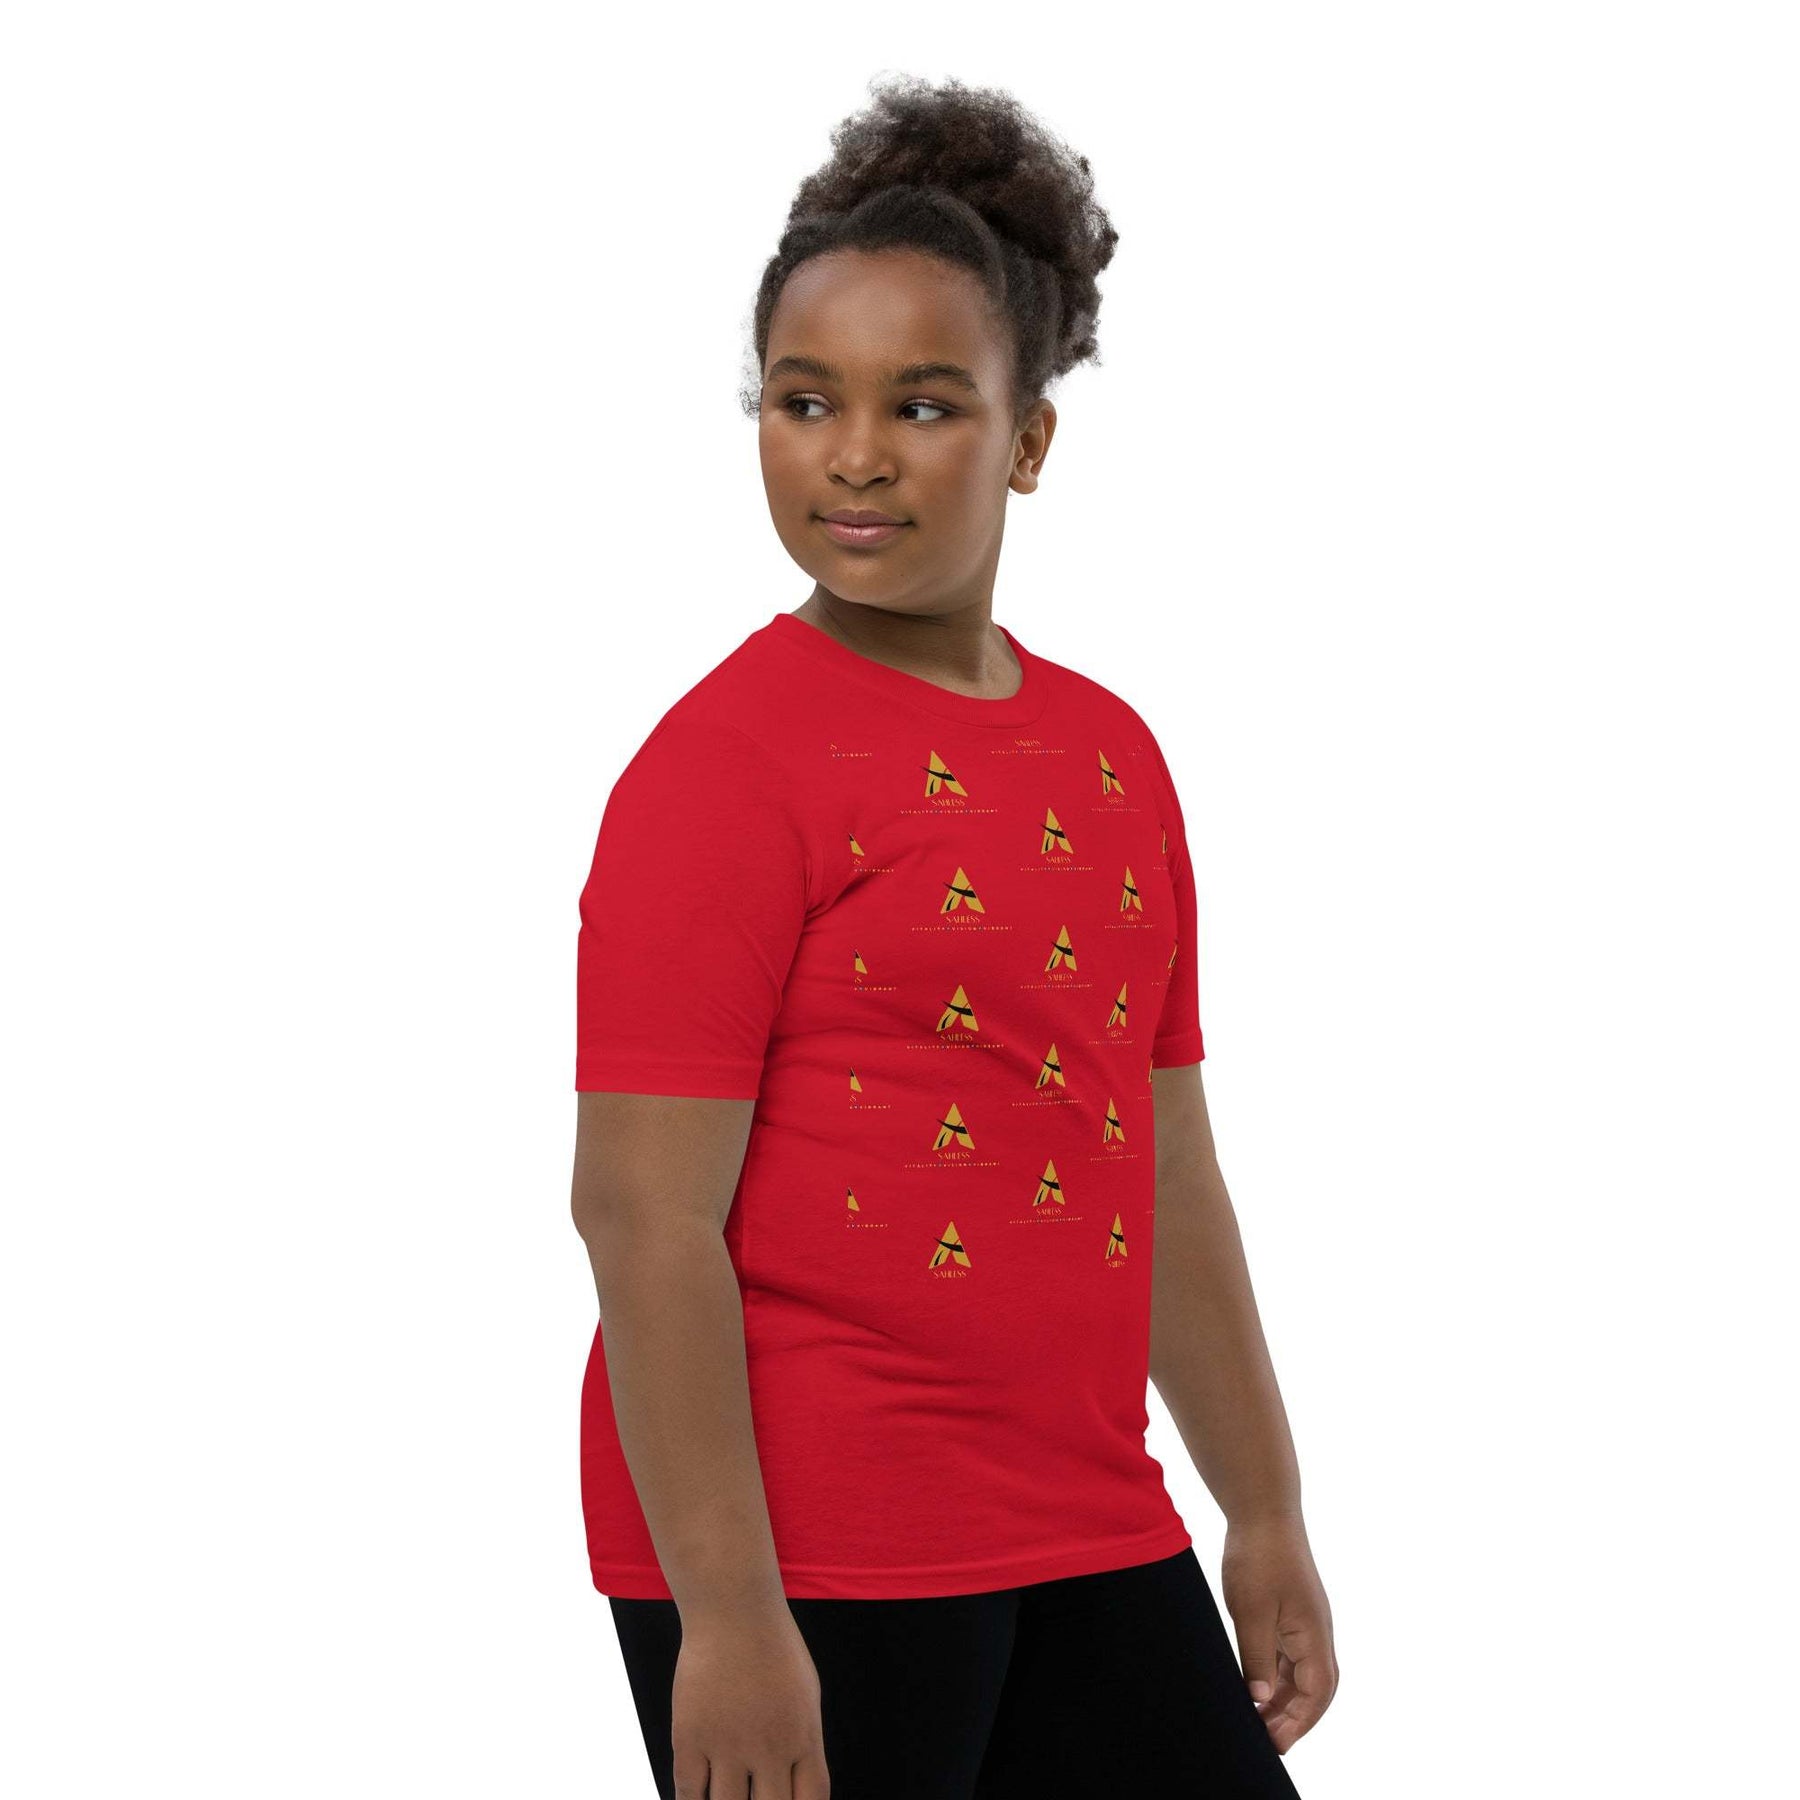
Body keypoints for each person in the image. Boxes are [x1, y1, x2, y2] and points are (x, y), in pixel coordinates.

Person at [570, 73, 1337, 1800]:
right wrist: (729, 1618)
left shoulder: (1112, 757)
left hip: (1087, 1515)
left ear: (1028, 441)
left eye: (922, 405)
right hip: (812, 1546)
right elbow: (640, 1215)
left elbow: (1162, 1162)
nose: (854, 455)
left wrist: (1265, 1503)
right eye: (803, 399)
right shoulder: (723, 770)